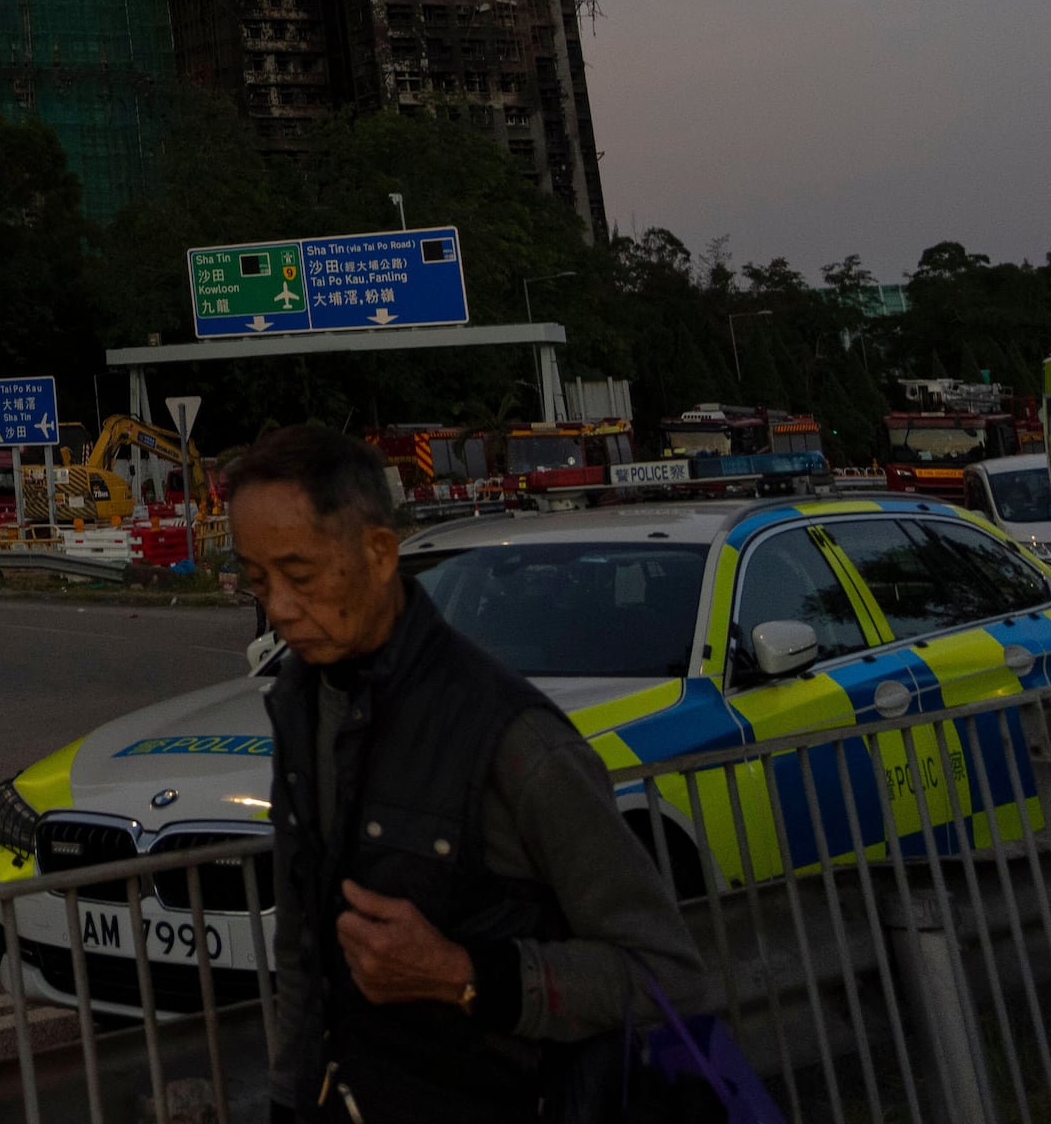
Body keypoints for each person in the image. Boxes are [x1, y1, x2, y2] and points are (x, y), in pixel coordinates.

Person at [227, 421, 709, 1123]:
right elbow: (303, 946)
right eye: (256, 581)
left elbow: (668, 979)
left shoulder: (517, 742)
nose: (279, 609)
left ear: (380, 551)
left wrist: (468, 976)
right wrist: (290, 1102)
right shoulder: (301, 703)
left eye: (300, 576)